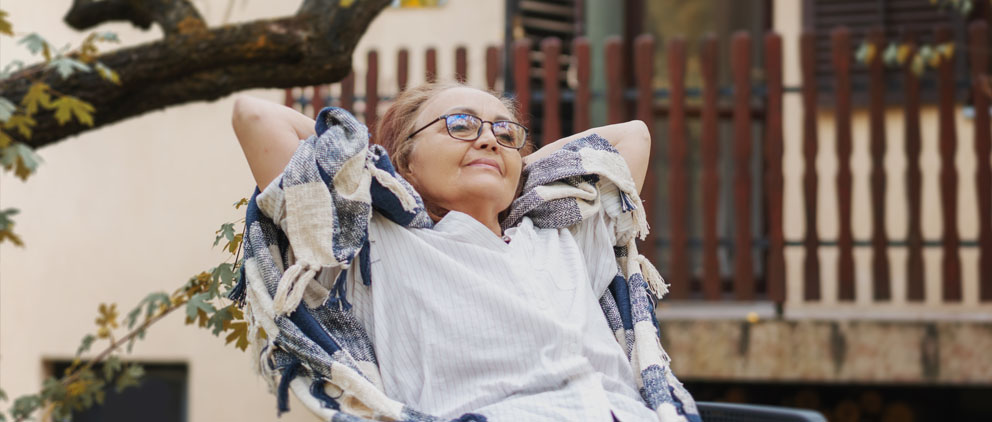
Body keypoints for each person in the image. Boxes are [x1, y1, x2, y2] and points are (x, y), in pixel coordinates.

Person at [232, 81, 696, 421]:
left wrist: (507, 171)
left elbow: (631, 136)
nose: (489, 138)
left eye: (505, 132)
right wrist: (386, 178)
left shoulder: (564, 236)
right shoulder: (371, 244)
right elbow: (255, 117)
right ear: (405, 162)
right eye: (460, 124)